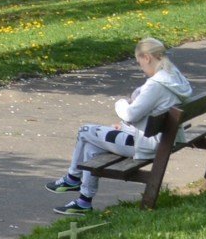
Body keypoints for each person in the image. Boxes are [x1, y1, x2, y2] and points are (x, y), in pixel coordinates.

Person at [47, 36, 192, 214]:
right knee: (92, 146)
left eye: (140, 63)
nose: (142, 68)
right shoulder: (174, 76)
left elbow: (131, 114)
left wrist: (120, 103)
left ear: (147, 57)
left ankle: (72, 178)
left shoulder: (156, 85)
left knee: (85, 131)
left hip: (146, 145)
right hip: (166, 139)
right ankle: (83, 201)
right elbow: (147, 113)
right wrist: (125, 125)